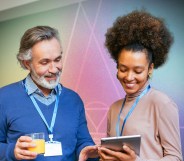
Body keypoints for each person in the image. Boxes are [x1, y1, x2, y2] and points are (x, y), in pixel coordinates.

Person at [0, 26, 99, 161]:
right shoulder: (4, 98)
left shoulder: (73, 99)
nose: (54, 69)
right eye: (45, 62)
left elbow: (83, 142)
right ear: (27, 63)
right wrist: (11, 151)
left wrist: (89, 151)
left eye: (57, 60)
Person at [98, 10, 183, 161]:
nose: (129, 77)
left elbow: (175, 157)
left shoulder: (162, 104)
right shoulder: (114, 108)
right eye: (123, 69)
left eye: (138, 71)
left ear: (150, 68)